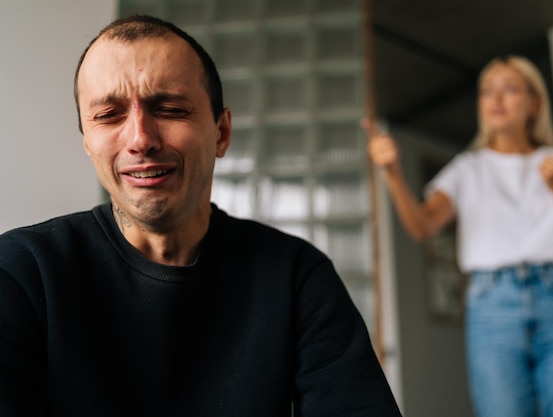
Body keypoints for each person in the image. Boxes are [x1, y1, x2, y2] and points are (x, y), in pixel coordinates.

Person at [0, 15, 402, 417]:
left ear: (221, 133)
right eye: (108, 115)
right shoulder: (21, 270)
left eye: (171, 109)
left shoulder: (296, 276)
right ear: (88, 141)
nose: (140, 138)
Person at [365, 55, 553, 417]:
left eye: (510, 89)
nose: (496, 99)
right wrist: (393, 174)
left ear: (534, 103)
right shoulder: (466, 169)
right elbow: (422, 226)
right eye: (487, 91)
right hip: (492, 304)